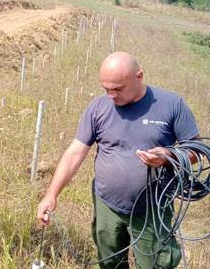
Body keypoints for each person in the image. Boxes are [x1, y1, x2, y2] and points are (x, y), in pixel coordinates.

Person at [37, 52, 199, 269]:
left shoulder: (172, 105)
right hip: (107, 207)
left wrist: (169, 157)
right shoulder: (98, 108)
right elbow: (75, 152)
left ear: (139, 76)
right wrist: (51, 194)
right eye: (106, 88)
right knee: (109, 262)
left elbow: (197, 151)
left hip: (152, 209)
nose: (111, 95)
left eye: (118, 89)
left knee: (155, 264)